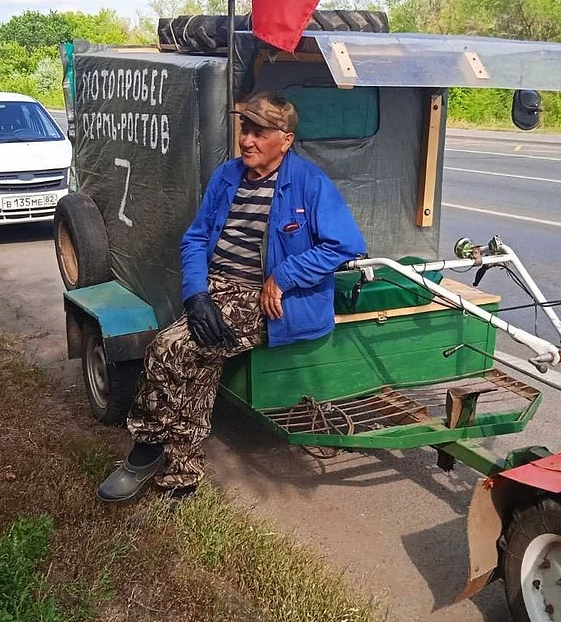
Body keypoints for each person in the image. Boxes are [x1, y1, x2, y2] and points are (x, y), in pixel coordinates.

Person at [97, 91, 366, 503]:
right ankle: (181, 477)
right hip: (215, 288)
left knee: (168, 349)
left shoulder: (309, 184)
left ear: (286, 139)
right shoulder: (228, 176)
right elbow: (196, 237)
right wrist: (196, 295)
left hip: (263, 299)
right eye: (245, 129)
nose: (247, 141)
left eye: (259, 132)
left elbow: (345, 245)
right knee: (198, 366)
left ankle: (145, 451)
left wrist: (284, 276)